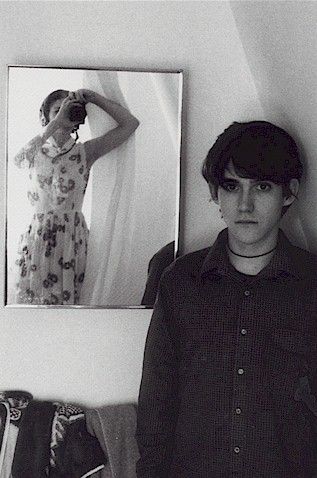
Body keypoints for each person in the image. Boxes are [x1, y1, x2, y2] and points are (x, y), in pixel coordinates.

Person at [136, 121, 317, 477]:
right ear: (216, 193)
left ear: (290, 192)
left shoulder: (312, 284)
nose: (245, 203)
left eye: (262, 186)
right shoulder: (180, 282)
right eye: (232, 186)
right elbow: (157, 402)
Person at [13, 88, 139, 305]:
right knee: (31, 308)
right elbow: (18, 161)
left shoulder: (85, 152)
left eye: (69, 109)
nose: (63, 114)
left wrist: (94, 98)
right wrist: (55, 123)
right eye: (57, 109)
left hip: (72, 238)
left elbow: (130, 124)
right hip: (37, 237)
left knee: (72, 306)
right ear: (45, 115)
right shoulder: (36, 151)